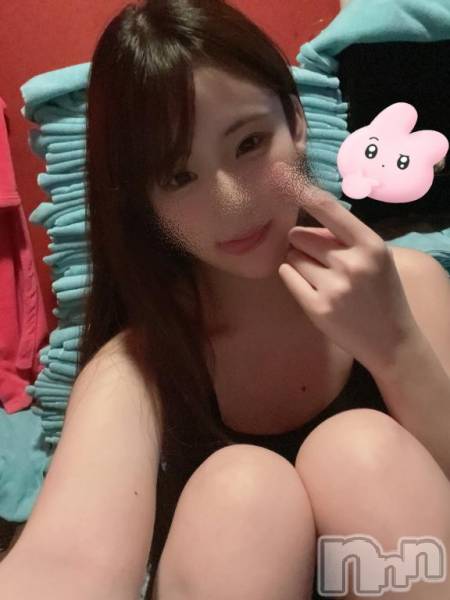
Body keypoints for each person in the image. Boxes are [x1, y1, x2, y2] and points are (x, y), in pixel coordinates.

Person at [1, 2, 449, 600]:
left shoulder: (407, 286)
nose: (231, 202)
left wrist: (395, 347)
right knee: (243, 491)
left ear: (297, 122)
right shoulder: (139, 365)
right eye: (178, 177)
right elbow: (66, 562)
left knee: (357, 450)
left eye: (250, 143)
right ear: (145, 203)